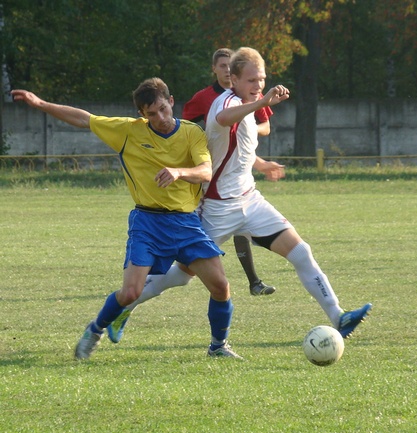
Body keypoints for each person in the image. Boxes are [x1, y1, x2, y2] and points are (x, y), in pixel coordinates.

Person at [107, 47, 371, 344]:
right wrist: (261, 101)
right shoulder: (227, 102)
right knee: (180, 276)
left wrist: (261, 162)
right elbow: (223, 118)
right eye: (251, 81)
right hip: (216, 208)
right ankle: (124, 306)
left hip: (251, 201)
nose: (257, 86)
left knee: (301, 252)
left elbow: (238, 149)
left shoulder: (248, 103)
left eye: (261, 79)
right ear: (232, 79)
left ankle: (339, 316)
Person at [11, 78, 243, 360]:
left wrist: (179, 172)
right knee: (131, 292)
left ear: (171, 102)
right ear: (142, 116)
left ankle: (218, 346)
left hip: (185, 222)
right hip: (148, 222)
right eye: (151, 114)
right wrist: (40, 104)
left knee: (220, 286)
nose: (160, 118)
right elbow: (85, 119)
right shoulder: (128, 132)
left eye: (162, 109)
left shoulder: (192, 133)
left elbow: (206, 171)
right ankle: (95, 330)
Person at [183, 47, 276, 295]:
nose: (226, 70)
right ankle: (152, 279)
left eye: (229, 65)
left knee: (244, 225)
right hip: (211, 178)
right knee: (186, 267)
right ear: (215, 69)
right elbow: (186, 127)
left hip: (239, 176)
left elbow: (264, 125)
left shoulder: (251, 93)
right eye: (222, 66)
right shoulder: (207, 98)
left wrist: (247, 128)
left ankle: (254, 281)